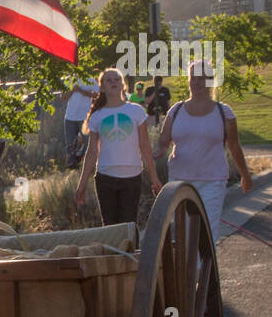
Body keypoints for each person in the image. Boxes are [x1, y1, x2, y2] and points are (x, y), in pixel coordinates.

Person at [154, 59, 252, 244]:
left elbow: (234, 147)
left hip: (212, 181)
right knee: (182, 234)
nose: (196, 82)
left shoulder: (224, 112)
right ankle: (186, 273)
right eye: (193, 78)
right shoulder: (176, 111)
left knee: (206, 232)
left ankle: (202, 273)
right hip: (180, 181)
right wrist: (158, 152)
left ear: (210, 81)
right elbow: (163, 142)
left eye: (201, 78)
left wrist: (245, 176)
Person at [75, 68, 161, 224]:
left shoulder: (136, 111)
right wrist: (82, 184)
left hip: (132, 176)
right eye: (109, 80)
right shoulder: (97, 116)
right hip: (105, 177)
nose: (113, 82)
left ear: (123, 85)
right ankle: (113, 250)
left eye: (117, 79)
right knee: (110, 227)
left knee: (128, 224)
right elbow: (92, 152)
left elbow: (145, 146)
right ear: (102, 87)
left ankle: (130, 249)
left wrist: (154, 177)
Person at [63, 76, 96, 169]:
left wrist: (81, 91)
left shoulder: (90, 79)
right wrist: (72, 90)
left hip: (85, 117)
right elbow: (63, 97)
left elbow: (96, 95)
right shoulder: (68, 79)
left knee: (87, 142)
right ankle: (71, 165)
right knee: (70, 143)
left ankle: (84, 162)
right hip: (70, 116)